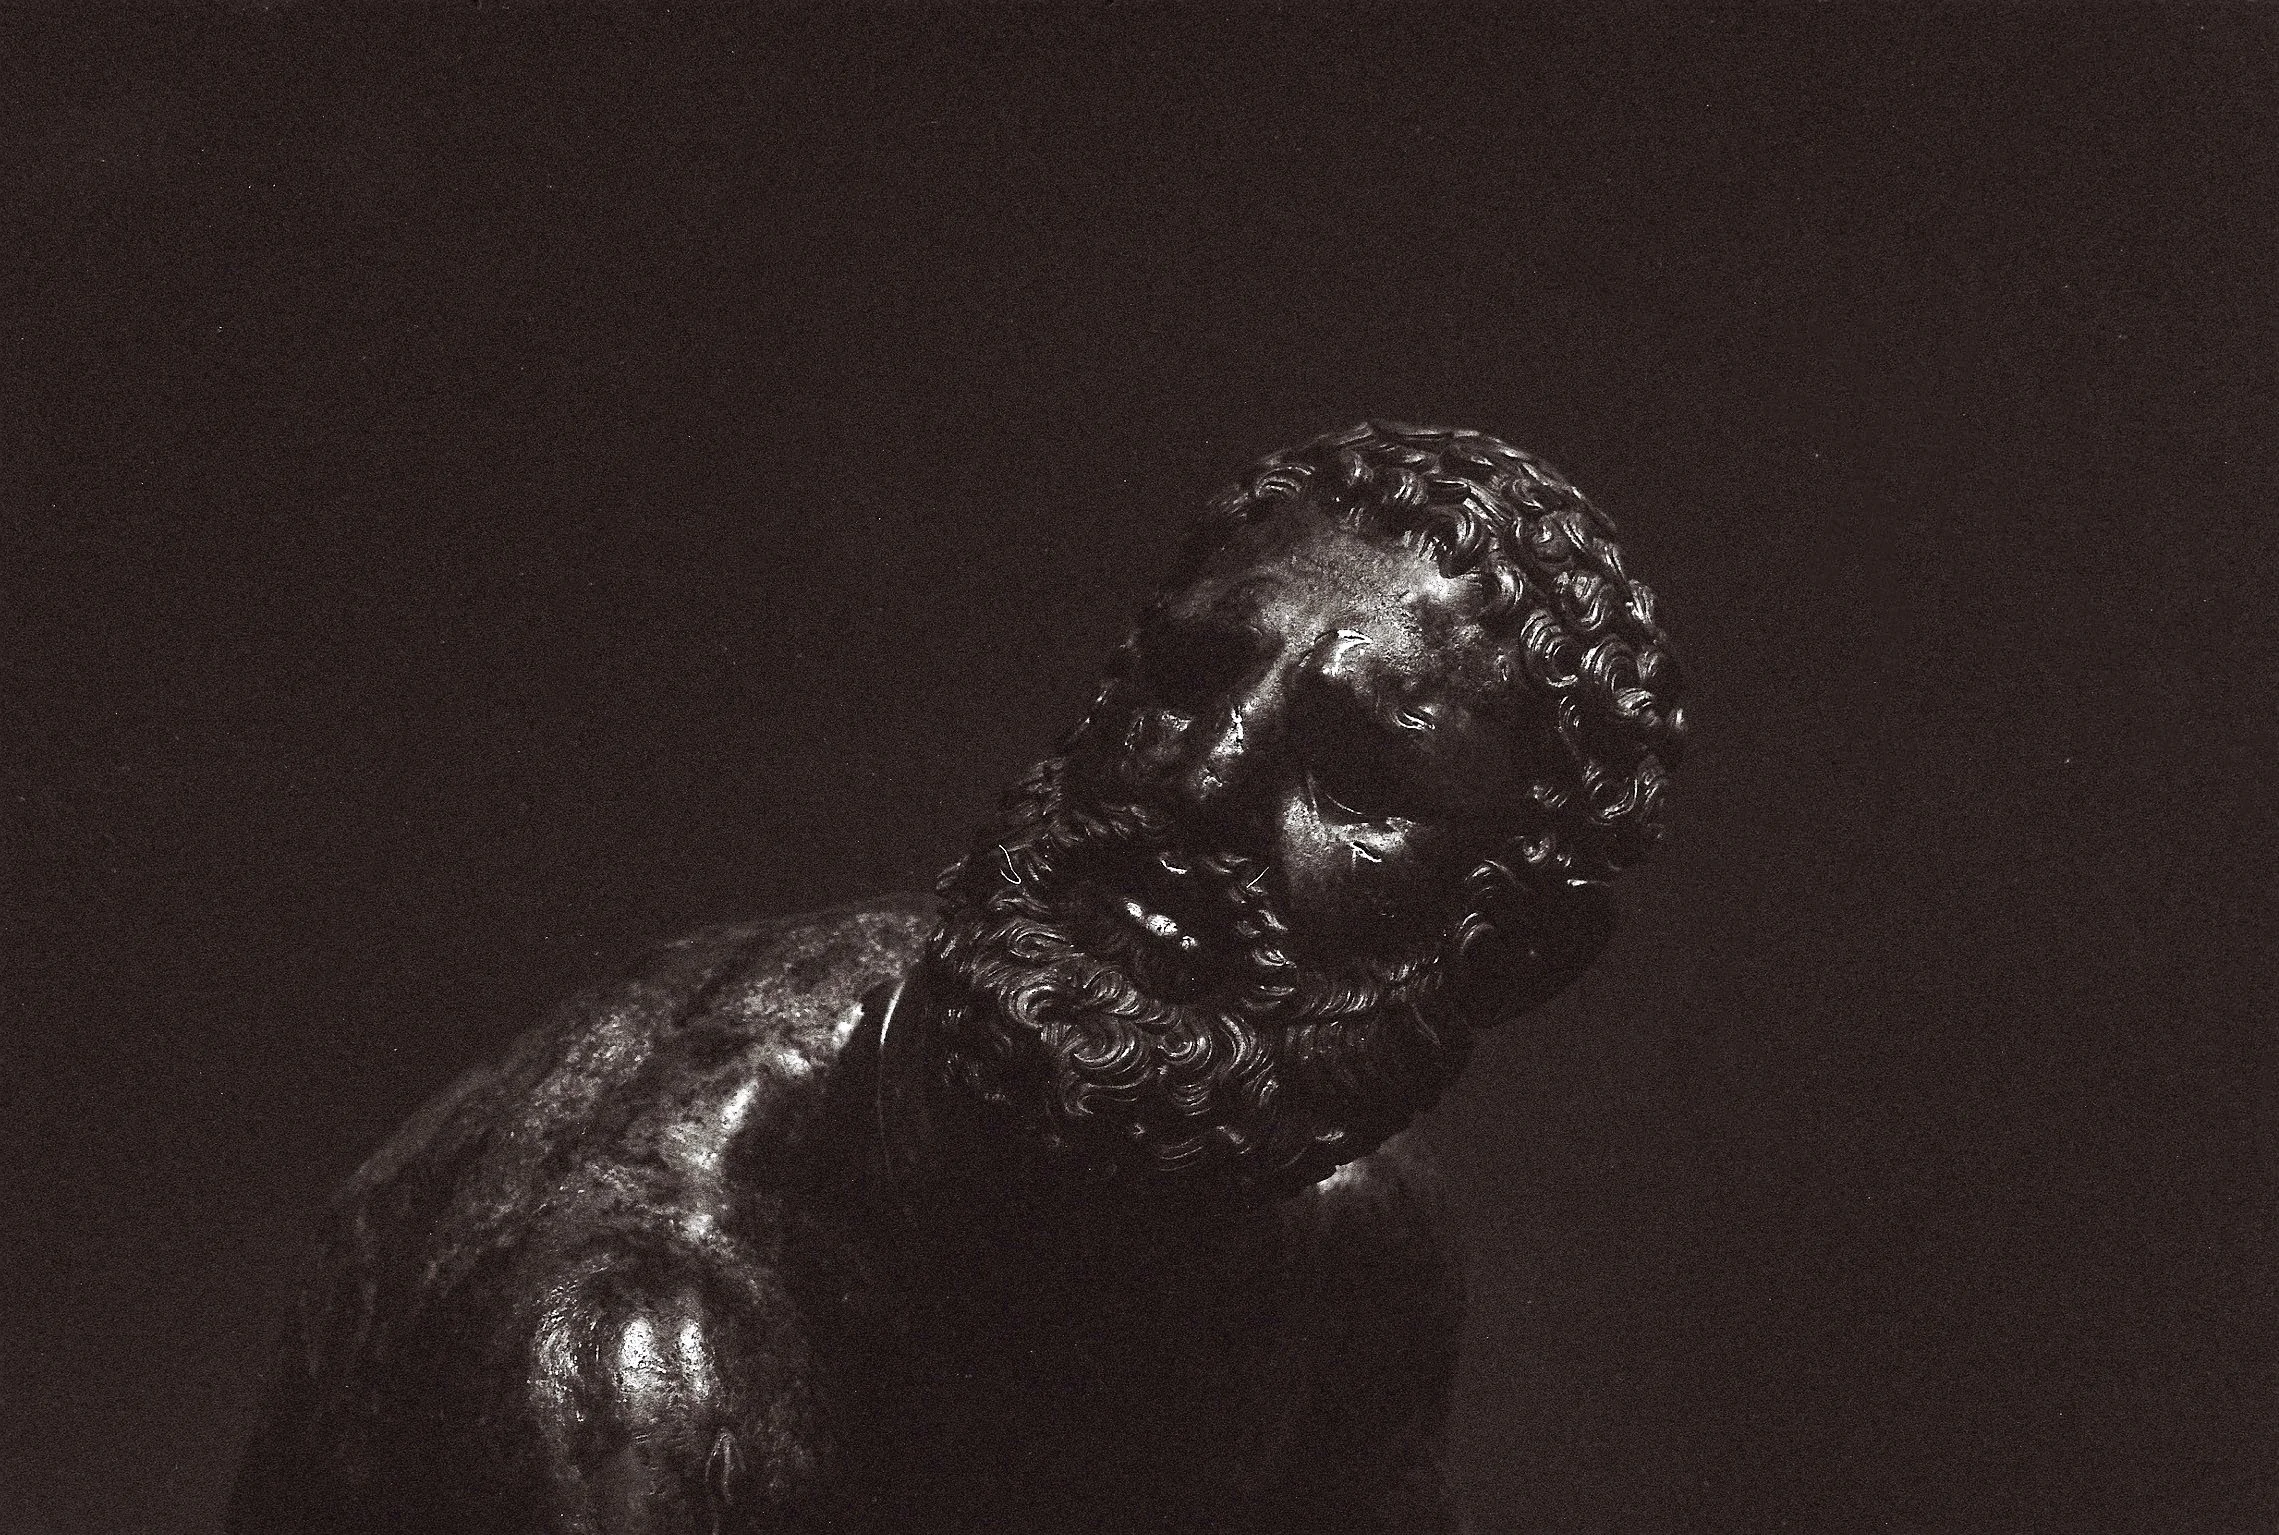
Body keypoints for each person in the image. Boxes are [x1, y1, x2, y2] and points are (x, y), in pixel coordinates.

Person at [227, 421, 1689, 1534]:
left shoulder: (1352, 1255)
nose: (1199, 775)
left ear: (1503, 949)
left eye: (1358, 774)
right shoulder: (634, 1361)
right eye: (1183, 678)